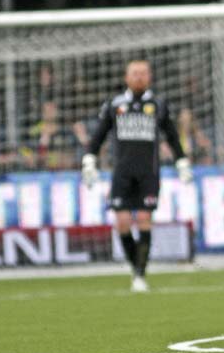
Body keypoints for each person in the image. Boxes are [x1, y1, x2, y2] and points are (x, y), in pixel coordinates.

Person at [81, 60, 192, 292]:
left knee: (143, 218)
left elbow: (171, 136)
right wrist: (89, 159)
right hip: (121, 172)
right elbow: (99, 135)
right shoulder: (114, 105)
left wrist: (181, 162)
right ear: (126, 77)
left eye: (143, 73)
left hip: (148, 173)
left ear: (149, 77)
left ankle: (140, 275)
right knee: (121, 222)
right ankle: (136, 268)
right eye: (135, 73)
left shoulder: (158, 105)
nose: (139, 77)